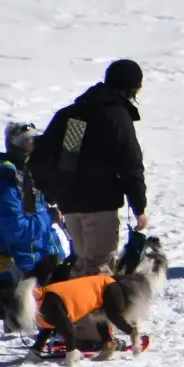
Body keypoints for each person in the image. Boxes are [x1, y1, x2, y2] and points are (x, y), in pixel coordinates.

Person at [35, 59, 149, 277]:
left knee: (81, 266)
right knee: (99, 270)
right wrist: (139, 207)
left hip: (70, 204)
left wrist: (53, 194)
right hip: (100, 204)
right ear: (132, 87)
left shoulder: (75, 113)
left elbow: (58, 159)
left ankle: (72, 300)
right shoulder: (115, 116)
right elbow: (130, 164)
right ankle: (92, 301)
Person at [0, 121, 70, 283]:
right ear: (14, 146)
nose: (32, 146)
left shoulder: (30, 175)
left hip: (46, 258)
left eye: (34, 140)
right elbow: (17, 230)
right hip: (23, 266)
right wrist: (48, 217)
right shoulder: (5, 184)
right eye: (25, 142)